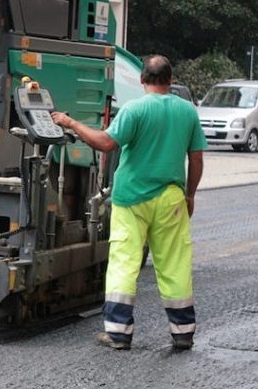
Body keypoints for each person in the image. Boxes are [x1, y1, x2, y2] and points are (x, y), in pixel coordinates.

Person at [51, 55, 206, 351]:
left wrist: (70, 123)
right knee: (175, 263)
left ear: (142, 80)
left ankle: (119, 333)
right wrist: (190, 194)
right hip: (171, 198)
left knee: (124, 261)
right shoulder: (187, 112)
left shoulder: (135, 109)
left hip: (132, 197)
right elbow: (196, 159)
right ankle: (183, 331)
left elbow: (105, 143)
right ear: (170, 80)